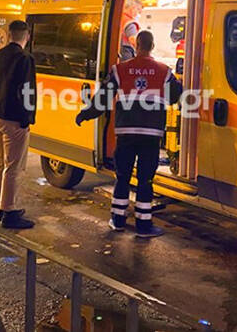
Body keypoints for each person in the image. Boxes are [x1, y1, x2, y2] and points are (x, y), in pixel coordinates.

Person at [76, 31, 182, 237]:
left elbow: (103, 99)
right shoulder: (163, 71)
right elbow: (175, 97)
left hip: (125, 133)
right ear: (152, 46)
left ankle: (117, 220)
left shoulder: (120, 69)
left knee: (122, 177)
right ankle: (143, 225)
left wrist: (85, 115)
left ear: (137, 45)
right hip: (151, 135)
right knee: (145, 180)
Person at [0, 20, 37, 229]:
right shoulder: (24, 58)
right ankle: (9, 212)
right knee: (14, 166)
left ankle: (1, 205)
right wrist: (27, 119)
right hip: (14, 119)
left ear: (9, 35)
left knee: (1, 164)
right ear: (27, 36)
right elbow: (27, 91)